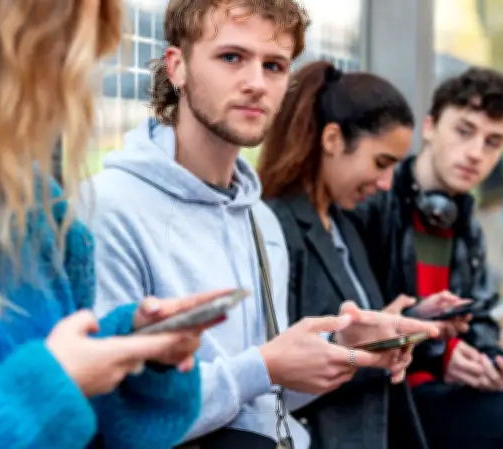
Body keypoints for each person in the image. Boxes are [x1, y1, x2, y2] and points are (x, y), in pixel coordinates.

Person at [0, 1, 226, 447]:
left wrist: (132, 347)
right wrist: (51, 386)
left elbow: (87, 418)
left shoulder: (41, 210)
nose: (76, 94)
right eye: (65, 62)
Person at [81, 1, 415, 448]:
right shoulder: (110, 207)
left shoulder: (262, 222)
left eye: (274, 66)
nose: (256, 83)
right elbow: (121, 415)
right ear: (176, 67)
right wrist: (263, 367)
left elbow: (263, 401)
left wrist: (344, 347)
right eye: (231, 57)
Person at [352, 67, 503, 449]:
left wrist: (491, 363)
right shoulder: (375, 203)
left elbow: (478, 316)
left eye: (493, 142)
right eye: (464, 131)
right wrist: (439, 353)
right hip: (388, 399)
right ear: (429, 127)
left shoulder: (467, 225)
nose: (476, 153)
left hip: (443, 395)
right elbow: (356, 322)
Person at [260, 61, 465, 449]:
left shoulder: (343, 222)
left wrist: (406, 323)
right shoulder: (275, 227)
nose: (386, 182)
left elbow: (350, 328)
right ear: (333, 138)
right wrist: (374, 342)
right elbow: (284, 364)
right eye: (380, 163)